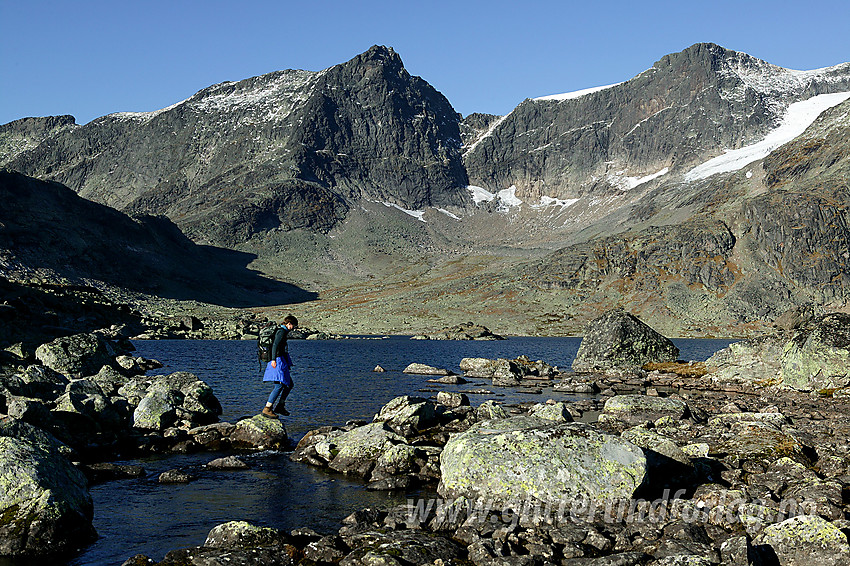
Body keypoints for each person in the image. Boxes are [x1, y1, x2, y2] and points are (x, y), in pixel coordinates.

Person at [261, 315, 298, 418]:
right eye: (293, 326)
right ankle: (267, 409)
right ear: (289, 323)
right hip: (277, 360)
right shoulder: (281, 332)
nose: (293, 328)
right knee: (279, 385)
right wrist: (273, 360)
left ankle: (280, 406)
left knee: (289, 384)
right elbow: (275, 345)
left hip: (281, 360)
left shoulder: (283, 332)